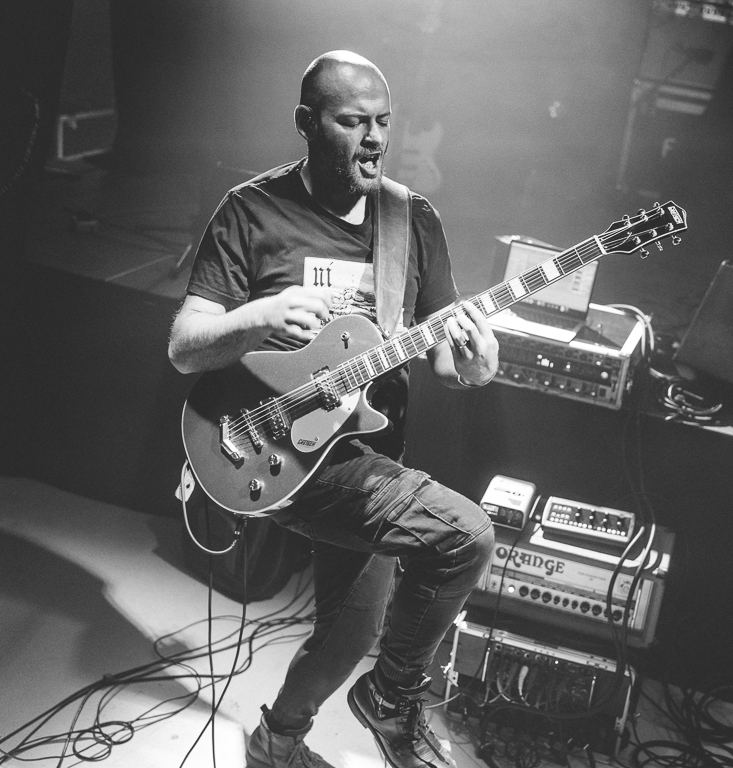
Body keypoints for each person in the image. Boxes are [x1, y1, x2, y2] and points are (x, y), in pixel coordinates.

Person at [167, 50, 498, 768]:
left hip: (368, 452)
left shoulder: (412, 220)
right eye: (352, 122)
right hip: (272, 447)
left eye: (383, 122)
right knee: (467, 535)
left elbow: (443, 354)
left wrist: (475, 366)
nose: (374, 138)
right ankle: (395, 697)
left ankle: (276, 741)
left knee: (351, 633)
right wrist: (260, 315)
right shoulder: (251, 210)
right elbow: (185, 348)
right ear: (307, 123)